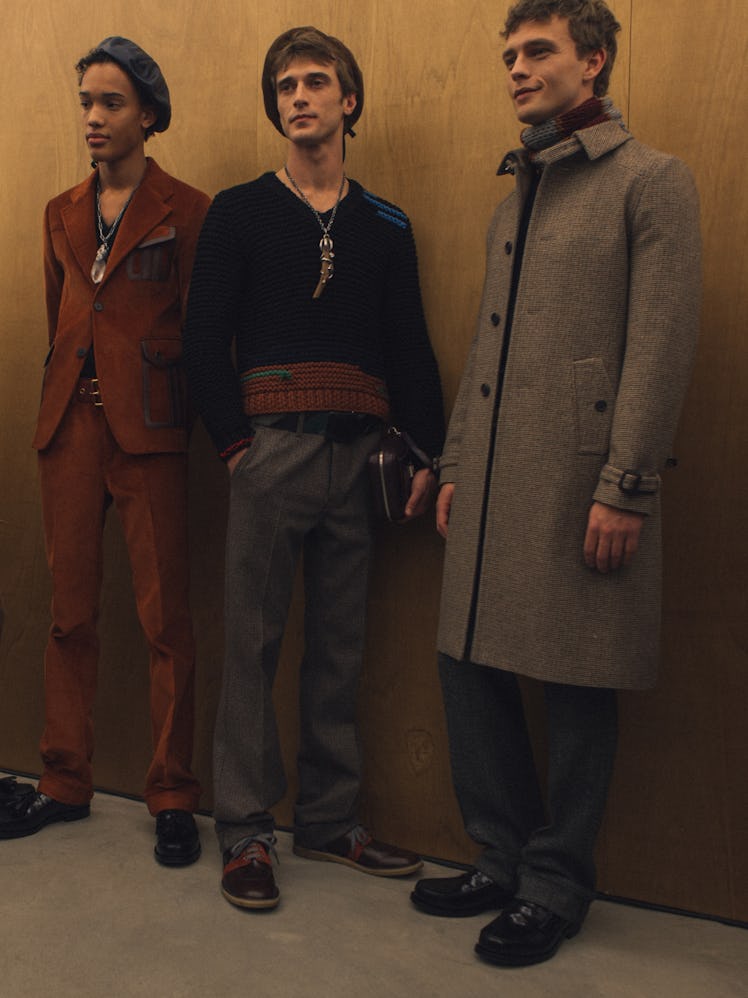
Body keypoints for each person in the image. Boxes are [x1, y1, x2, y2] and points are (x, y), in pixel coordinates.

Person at [411, 0, 701, 967]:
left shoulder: (652, 183)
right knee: (468, 664)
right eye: (509, 56)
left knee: (577, 679)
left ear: (596, 60)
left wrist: (625, 486)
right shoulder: (512, 201)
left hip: (583, 484)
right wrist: (453, 466)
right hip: (491, 486)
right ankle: (500, 857)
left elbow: (659, 348)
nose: (518, 70)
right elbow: (483, 354)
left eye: (538, 51)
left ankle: (556, 883)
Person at [183, 26, 444, 910]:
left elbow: (410, 347)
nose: (300, 96)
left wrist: (425, 452)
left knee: (338, 649)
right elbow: (198, 340)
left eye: (317, 82)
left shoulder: (385, 225)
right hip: (269, 450)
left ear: (349, 101)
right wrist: (234, 445)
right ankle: (247, 833)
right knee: (250, 646)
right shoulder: (239, 210)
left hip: (359, 456)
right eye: (286, 85)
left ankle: (331, 821)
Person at [0, 37, 210, 866]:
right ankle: (63, 781)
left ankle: (171, 793)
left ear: (147, 115)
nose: (92, 116)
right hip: (68, 431)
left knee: (167, 620)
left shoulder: (188, 209)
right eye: (86, 101)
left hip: (151, 432)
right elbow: (64, 319)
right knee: (69, 614)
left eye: (111, 102)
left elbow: (200, 327)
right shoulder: (57, 210)